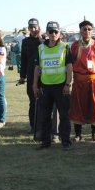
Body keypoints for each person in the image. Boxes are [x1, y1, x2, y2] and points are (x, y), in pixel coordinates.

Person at [32, 21, 73, 150]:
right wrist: (34, 85)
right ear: (47, 33)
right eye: (51, 31)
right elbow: (37, 68)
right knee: (44, 116)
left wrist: (68, 84)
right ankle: (45, 142)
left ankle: (65, 141)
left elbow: (70, 67)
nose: (53, 34)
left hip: (61, 87)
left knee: (64, 116)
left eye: (56, 31)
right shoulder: (40, 48)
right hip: (45, 86)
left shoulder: (65, 47)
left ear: (59, 33)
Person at [69, 20, 95, 142]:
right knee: (78, 107)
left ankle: (94, 133)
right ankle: (78, 134)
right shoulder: (75, 46)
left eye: (89, 29)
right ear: (80, 31)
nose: (87, 31)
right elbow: (71, 62)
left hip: (93, 81)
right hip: (79, 81)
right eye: (84, 29)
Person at [18, 18, 43, 135]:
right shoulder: (25, 42)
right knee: (33, 102)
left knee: (44, 102)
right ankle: (33, 126)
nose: (33, 29)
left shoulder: (44, 40)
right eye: (31, 27)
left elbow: (44, 47)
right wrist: (22, 76)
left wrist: (40, 37)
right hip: (31, 75)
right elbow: (23, 59)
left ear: (38, 28)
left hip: (44, 76)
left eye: (35, 27)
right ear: (28, 29)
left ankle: (43, 126)